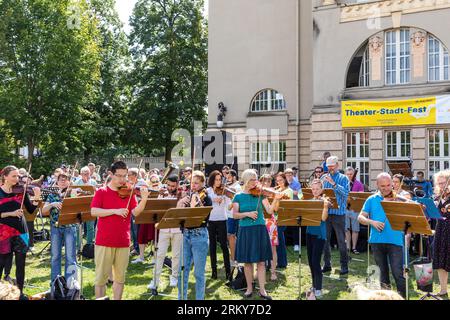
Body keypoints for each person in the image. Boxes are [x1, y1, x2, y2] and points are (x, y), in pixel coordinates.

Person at [91, 161, 149, 300]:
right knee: (101, 279)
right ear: (111, 174)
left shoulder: (129, 191)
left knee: (120, 278)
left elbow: (135, 212)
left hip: (123, 241)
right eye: (119, 176)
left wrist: (144, 199)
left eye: (125, 176)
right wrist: (115, 211)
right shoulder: (102, 192)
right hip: (104, 241)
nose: (123, 180)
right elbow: (94, 211)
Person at [232, 169, 283, 300]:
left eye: (256, 179)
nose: (256, 182)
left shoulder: (260, 194)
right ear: (246, 180)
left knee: (261, 262)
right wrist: (247, 214)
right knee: (248, 263)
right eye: (253, 179)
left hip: (259, 229)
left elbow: (270, 210)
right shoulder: (238, 196)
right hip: (245, 230)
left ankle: (262, 290)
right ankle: (249, 288)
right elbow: (235, 215)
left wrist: (276, 199)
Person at [358, 172, 406, 298]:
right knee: (383, 275)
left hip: (395, 241)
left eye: (389, 185)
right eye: (382, 186)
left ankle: (402, 297)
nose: (386, 188)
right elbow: (360, 217)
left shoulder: (399, 198)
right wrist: (372, 222)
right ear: (377, 185)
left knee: (398, 274)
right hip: (376, 241)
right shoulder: (372, 199)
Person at [0, 166, 41, 296]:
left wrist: (37, 198)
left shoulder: (20, 191)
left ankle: (19, 293)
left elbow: (30, 209)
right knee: (1, 263)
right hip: (4, 233)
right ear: (5, 177)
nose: (17, 179)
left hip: (21, 231)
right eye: (14, 176)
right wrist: (10, 213)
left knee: (21, 264)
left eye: (18, 176)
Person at [177, 171, 212, 300]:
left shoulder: (206, 198)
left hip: (199, 235)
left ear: (203, 183)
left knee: (198, 273)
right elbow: (179, 210)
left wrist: (195, 205)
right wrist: (185, 202)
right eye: (192, 183)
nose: (193, 186)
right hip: (186, 235)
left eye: (197, 183)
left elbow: (204, 218)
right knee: (182, 271)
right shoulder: (187, 196)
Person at [42, 173, 78, 285]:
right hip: (55, 228)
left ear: (69, 182)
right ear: (56, 182)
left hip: (70, 227)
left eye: (65, 180)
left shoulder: (72, 193)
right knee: (55, 256)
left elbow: (77, 208)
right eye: (61, 180)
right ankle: (55, 283)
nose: (63, 181)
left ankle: (71, 283)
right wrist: (52, 204)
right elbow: (43, 211)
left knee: (70, 256)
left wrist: (73, 196)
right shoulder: (52, 195)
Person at [148, 175, 182, 290]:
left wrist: (181, 198)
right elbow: (157, 211)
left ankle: (175, 276)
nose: (170, 188)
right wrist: (160, 196)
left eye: (173, 186)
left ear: (177, 185)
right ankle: (155, 280)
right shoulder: (161, 194)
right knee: (159, 254)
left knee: (176, 255)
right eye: (168, 185)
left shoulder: (182, 194)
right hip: (163, 228)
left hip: (177, 229)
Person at [321, 156, 350, 275]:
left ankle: (344, 265)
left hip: (339, 214)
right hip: (326, 213)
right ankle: (327, 264)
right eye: (328, 167)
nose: (330, 169)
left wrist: (333, 184)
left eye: (332, 166)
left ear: (337, 165)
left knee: (341, 241)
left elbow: (345, 193)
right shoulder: (323, 177)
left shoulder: (343, 178)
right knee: (325, 240)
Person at [267, 173, 293, 281]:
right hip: (273, 219)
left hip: (282, 218)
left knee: (280, 241)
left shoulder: (288, 191)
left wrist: (276, 194)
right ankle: (276, 262)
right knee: (277, 242)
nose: (279, 182)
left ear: (285, 180)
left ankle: (282, 262)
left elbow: (285, 203)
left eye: (281, 180)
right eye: (277, 180)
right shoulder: (277, 189)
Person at [306, 179, 329, 298]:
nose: (315, 191)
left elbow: (324, 218)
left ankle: (319, 287)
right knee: (310, 262)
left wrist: (325, 206)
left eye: (317, 189)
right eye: (313, 189)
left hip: (319, 235)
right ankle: (314, 285)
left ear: (322, 190)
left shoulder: (324, 201)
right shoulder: (309, 201)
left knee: (315, 261)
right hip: (309, 233)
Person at [206, 171, 231, 280]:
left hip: (222, 220)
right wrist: (213, 199)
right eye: (216, 179)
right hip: (211, 220)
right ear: (212, 180)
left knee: (224, 246)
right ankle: (214, 271)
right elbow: (206, 201)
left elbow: (229, 205)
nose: (218, 182)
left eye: (220, 179)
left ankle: (228, 271)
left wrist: (227, 197)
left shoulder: (224, 191)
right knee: (212, 246)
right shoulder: (207, 191)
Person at [432, 170, 450, 298]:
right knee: (440, 259)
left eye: (443, 183)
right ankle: (443, 289)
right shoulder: (438, 196)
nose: (441, 186)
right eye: (439, 183)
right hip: (440, 229)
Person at [73, 166, 98, 251]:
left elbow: (97, 195)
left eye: (87, 173)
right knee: (78, 226)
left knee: (90, 226)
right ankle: (78, 246)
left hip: (90, 206)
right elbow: (73, 195)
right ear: (81, 174)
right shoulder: (76, 182)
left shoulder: (93, 182)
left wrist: (93, 189)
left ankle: (89, 245)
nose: (86, 175)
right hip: (79, 206)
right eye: (84, 173)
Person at [132, 171, 154, 264]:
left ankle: (143, 254)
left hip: (145, 212)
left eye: (129, 175)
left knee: (141, 233)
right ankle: (139, 253)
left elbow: (145, 195)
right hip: (137, 210)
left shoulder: (141, 184)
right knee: (136, 232)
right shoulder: (131, 184)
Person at [345, 167, 364, 255]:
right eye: (348, 174)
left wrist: (354, 197)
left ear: (354, 174)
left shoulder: (359, 184)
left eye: (351, 174)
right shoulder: (344, 183)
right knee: (346, 229)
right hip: (345, 208)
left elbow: (361, 197)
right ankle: (348, 247)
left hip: (355, 209)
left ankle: (354, 247)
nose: (349, 176)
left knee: (355, 229)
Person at [285, 168, 303, 253]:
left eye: (290, 175)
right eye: (287, 175)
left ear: (293, 175)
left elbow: (299, 194)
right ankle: (283, 244)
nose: (288, 177)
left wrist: (291, 191)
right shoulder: (283, 182)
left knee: (295, 226)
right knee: (283, 225)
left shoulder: (296, 183)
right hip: (285, 207)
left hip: (294, 206)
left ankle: (296, 244)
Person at [226, 169, 241, 267]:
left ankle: (233, 258)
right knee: (229, 237)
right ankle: (233, 257)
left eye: (229, 177)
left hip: (233, 215)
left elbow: (236, 197)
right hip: (227, 215)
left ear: (234, 177)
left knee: (231, 236)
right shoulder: (228, 186)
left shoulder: (237, 187)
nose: (227, 179)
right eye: (226, 178)